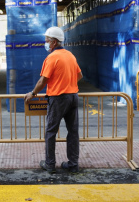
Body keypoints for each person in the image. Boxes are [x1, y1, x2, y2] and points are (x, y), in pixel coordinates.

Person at [24, 26, 83, 174]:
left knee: (51, 132)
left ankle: (50, 164)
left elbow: (43, 81)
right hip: (73, 97)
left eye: (47, 41)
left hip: (58, 99)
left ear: (54, 42)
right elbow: (79, 76)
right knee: (73, 132)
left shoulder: (52, 58)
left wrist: (33, 93)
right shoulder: (70, 55)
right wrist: (68, 83)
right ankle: (73, 164)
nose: (46, 43)